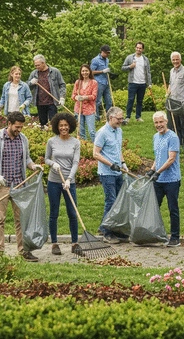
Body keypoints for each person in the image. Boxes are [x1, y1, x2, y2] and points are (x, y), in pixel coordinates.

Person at [0, 111, 42, 262]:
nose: (19, 130)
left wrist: (33, 166)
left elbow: (26, 158)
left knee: (20, 220)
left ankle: (23, 251)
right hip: (2, 186)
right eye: (17, 127)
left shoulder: (23, 139)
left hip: (19, 185)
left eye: (21, 127)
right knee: (0, 219)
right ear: (9, 124)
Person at [45, 112, 81, 255]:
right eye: (61, 125)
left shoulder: (75, 142)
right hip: (54, 181)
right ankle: (54, 243)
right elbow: (46, 159)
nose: (63, 128)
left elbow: (76, 162)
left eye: (66, 125)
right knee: (54, 213)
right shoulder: (51, 141)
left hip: (69, 182)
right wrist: (53, 164)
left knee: (72, 213)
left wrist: (69, 179)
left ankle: (75, 243)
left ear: (70, 126)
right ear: (57, 127)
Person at [93, 106, 129, 244]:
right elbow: (95, 153)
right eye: (118, 118)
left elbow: (118, 149)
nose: (121, 121)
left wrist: (123, 163)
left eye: (121, 118)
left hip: (118, 171)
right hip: (106, 172)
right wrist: (110, 164)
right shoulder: (102, 133)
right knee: (111, 201)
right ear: (110, 118)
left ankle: (110, 229)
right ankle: (107, 233)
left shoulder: (118, 131)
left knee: (118, 202)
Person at [146, 111, 181, 247]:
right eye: (156, 122)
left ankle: (175, 237)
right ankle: (155, 233)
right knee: (154, 208)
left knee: (173, 208)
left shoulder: (172, 137)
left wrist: (158, 172)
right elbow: (159, 157)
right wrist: (152, 170)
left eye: (161, 122)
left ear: (166, 122)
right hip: (158, 180)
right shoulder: (156, 137)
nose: (159, 125)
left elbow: (171, 159)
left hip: (171, 179)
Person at [27, 54, 66, 128]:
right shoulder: (34, 73)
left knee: (54, 123)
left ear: (43, 63)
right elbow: (27, 87)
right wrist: (31, 83)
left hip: (52, 102)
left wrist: (62, 97)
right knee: (43, 125)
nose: (36, 67)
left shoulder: (55, 71)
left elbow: (62, 85)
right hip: (40, 103)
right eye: (35, 65)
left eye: (38, 65)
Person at [166, 51, 184, 146]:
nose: (175, 61)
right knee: (175, 124)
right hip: (173, 101)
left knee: (183, 124)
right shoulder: (171, 71)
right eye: (173, 60)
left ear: (180, 59)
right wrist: (167, 93)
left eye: (177, 59)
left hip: (182, 102)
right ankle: (177, 142)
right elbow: (170, 84)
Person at [121, 41, 152, 124]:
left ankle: (138, 116)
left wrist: (149, 83)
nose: (138, 49)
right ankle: (127, 117)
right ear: (135, 48)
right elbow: (123, 68)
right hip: (132, 82)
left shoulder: (145, 59)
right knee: (130, 100)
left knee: (140, 101)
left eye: (140, 48)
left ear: (143, 49)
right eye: (137, 47)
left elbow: (148, 72)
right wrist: (130, 66)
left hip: (142, 83)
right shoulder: (130, 58)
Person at [71, 64, 98, 142]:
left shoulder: (94, 82)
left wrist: (84, 97)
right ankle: (84, 147)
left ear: (89, 71)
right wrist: (77, 97)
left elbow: (94, 96)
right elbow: (73, 95)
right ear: (80, 72)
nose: (84, 72)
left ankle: (95, 147)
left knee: (91, 131)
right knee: (81, 131)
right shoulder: (78, 82)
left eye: (86, 70)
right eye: (83, 71)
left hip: (89, 109)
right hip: (78, 109)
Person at [90, 44, 113, 121]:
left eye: (109, 53)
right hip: (98, 83)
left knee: (109, 101)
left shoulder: (107, 60)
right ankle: (96, 118)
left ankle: (109, 117)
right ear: (102, 52)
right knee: (97, 101)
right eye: (106, 53)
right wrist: (102, 71)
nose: (108, 54)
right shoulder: (95, 60)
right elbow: (91, 72)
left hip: (106, 82)